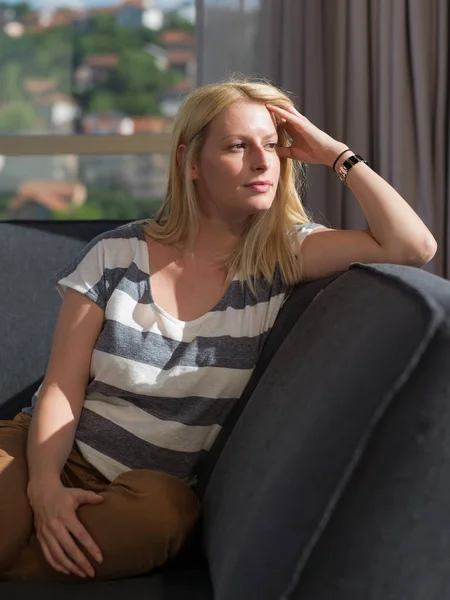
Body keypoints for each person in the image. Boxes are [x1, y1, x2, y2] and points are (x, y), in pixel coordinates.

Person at [0, 78, 437, 583]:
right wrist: (46, 488)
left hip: (145, 494)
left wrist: (336, 154)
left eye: (272, 147)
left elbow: (413, 246)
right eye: (237, 146)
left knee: (166, 516)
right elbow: (61, 386)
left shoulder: (280, 257)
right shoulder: (115, 254)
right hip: (43, 452)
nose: (262, 161)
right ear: (190, 161)